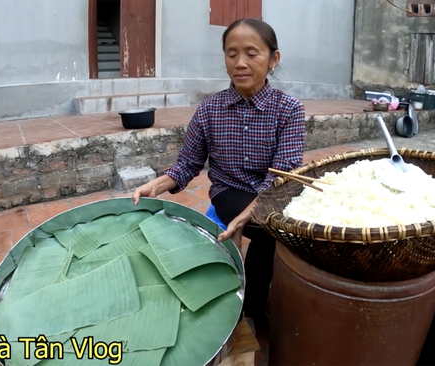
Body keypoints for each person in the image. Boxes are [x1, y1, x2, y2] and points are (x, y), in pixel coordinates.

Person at [131, 18, 306, 334]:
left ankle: (252, 305)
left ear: (273, 59)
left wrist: (252, 213)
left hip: (272, 193)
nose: (240, 63)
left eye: (252, 54)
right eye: (231, 53)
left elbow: (284, 173)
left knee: (273, 229)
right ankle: (248, 311)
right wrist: (157, 184)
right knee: (268, 232)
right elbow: (187, 164)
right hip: (229, 192)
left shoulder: (288, 109)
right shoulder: (210, 110)